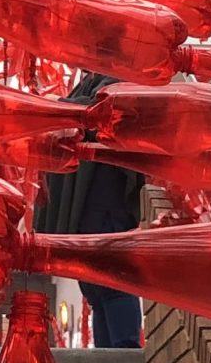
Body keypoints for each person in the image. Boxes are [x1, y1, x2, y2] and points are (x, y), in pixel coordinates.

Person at [37, 72, 147, 347]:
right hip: (87, 201)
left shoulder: (118, 74)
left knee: (111, 277)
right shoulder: (89, 81)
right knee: (94, 287)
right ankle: (111, 356)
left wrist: (57, 108)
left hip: (105, 194)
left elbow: (105, 106)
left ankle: (125, 354)